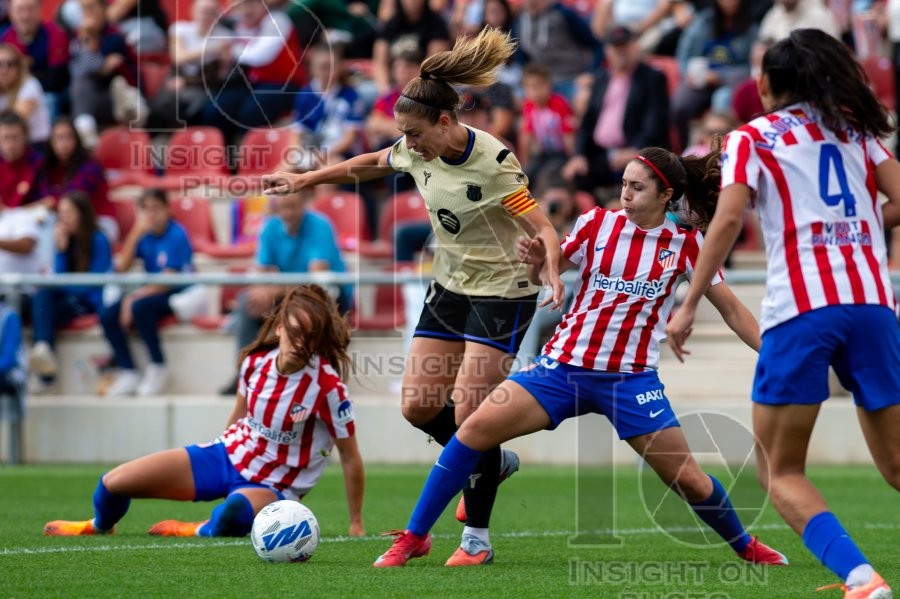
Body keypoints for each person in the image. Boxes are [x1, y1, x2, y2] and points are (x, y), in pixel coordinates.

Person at [373, 145, 789, 570]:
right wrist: (538, 264)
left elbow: (733, 310)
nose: (625, 194)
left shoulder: (686, 244)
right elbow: (547, 272)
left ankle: (745, 545)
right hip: (561, 369)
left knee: (689, 480)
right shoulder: (596, 224)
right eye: (624, 184)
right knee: (473, 428)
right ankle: (414, 537)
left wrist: (774, 356)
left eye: (637, 187)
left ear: (666, 196)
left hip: (630, 380)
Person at [264, 28, 565, 566]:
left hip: (502, 292)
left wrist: (552, 269)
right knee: (419, 406)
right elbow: (370, 164)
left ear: (445, 123)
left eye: (415, 133)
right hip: (450, 285)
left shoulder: (493, 163)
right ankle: (490, 461)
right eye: (403, 134)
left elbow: (543, 225)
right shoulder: (412, 147)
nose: (408, 143)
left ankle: (476, 539)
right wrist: (307, 181)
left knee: (473, 410)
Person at [666, 29, 899, 599]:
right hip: (872, 304)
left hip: (803, 310)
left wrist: (690, 302)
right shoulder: (854, 128)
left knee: (781, 470)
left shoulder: (752, 137)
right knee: (897, 466)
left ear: (765, 84)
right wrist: (861, 237)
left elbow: (724, 222)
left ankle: (861, 578)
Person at [44, 285, 366, 539]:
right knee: (114, 481)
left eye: (310, 338)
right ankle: (99, 525)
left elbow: (349, 457)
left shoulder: (327, 386)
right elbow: (239, 416)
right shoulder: (255, 363)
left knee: (233, 512)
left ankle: (195, 529)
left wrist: (356, 522)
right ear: (280, 328)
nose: (300, 344)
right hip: (227, 456)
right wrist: (220, 450)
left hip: (275, 488)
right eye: (295, 333)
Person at [219, 189, 351, 396]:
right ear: (277, 208)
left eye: (293, 206)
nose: (288, 212)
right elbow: (260, 273)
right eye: (284, 207)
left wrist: (274, 289)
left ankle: (326, 379)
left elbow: (317, 281)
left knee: (315, 305)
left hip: (329, 294)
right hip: (293, 294)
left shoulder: (320, 226)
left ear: (304, 203)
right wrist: (260, 292)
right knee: (248, 301)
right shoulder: (270, 227)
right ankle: (245, 373)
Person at [100, 188, 193, 397]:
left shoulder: (177, 234)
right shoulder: (144, 235)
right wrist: (134, 234)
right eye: (146, 209)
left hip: (178, 293)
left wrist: (133, 297)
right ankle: (128, 370)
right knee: (107, 314)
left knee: (140, 307)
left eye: (156, 208)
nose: (151, 214)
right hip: (150, 291)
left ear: (167, 210)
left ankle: (158, 365)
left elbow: (169, 281)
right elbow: (121, 268)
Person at [562, 25, 670, 193]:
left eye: (624, 46)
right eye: (615, 47)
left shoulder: (652, 77)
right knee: (573, 174)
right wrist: (579, 155)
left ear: (635, 46)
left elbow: (655, 122)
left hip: (637, 151)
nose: (620, 52)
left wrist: (636, 150)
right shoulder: (600, 78)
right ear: (607, 51)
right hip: (602, 154)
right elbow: (588, 120)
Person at [28, 191, 112, 393]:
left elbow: (93, 283)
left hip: (87, 302)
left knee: (42, 308)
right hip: (68, 298)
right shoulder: (65, 240)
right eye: (61, 213)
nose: (63, 217)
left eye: (69, 212)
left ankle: (45, 370)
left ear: (82, 214)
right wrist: (61, 251)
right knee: (40, 299)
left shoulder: (98, 239)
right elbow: (58, 277)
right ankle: (44, 351)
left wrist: (62, 284)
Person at [36, 117, 116, 241]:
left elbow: (75, 198)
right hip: (65, 221)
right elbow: (43, 197)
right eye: (59, 138)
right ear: (51, 142)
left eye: (69, 137)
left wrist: (50, 202)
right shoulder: (47, 168)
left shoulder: (90, 166)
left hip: (99, 221)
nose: (64, 143)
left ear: (77, 140)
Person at [0, 0, 70, 118]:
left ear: (39, 11)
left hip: (54, 91)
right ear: (11, 13)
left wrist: (25, 81)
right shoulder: (5, 38)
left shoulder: (55, 34)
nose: (25, 16)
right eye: (20, 10)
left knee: (48, 99)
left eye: (30, 9)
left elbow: (56, 78)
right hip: (13, 89)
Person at [0, 109, 41, 207]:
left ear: (25, 137)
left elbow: (46, 201)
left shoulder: (38, 163)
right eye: (6, 138)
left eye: (15, 137)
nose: (11, 145)